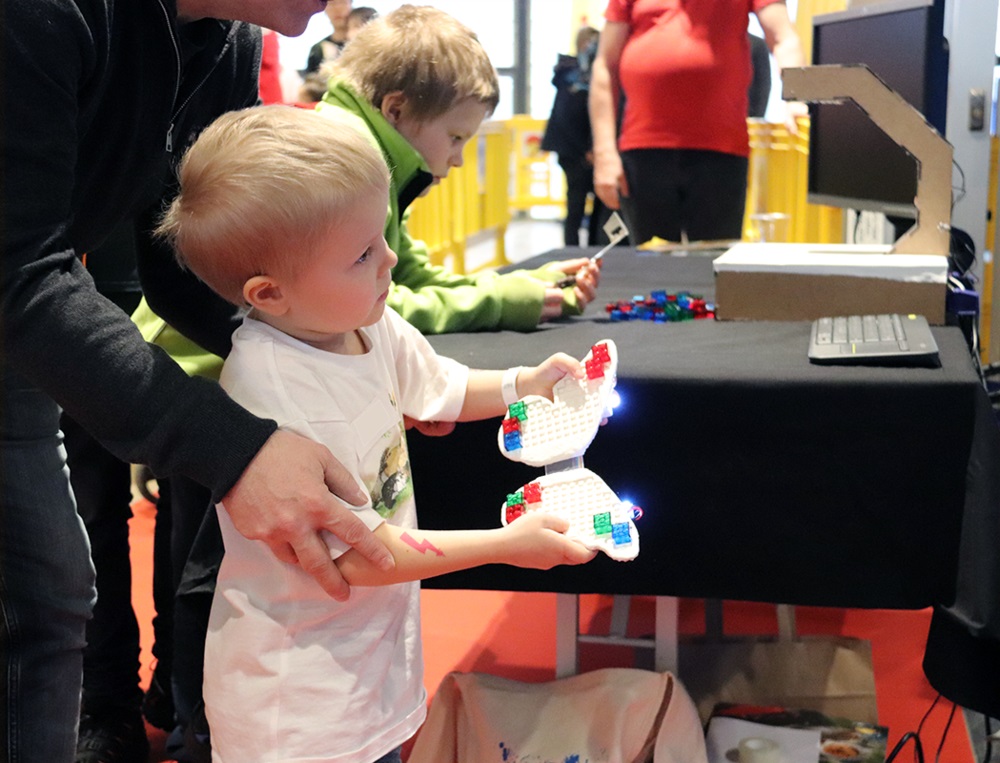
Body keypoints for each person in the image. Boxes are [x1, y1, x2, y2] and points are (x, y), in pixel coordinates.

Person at [1, 2, 395, 762]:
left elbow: (195, 260)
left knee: (47, 597)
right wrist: (233, 448)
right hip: (23, 308)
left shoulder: (226, 33)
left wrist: (346, 359)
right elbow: (17, 270)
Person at [155, 103, 598, 763]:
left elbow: (436, 385)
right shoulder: (275, 389)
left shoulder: (362, 320)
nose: (390, 259)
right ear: (271, 293)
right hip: (297, 705)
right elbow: (364, 554)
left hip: (369, 669)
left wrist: (522, 382)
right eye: (363, 252)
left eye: (382, 235)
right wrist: (508, 544)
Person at [319, 4, 602, 334]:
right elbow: (369, 308)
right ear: (395, 110)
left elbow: (410, 277)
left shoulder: (376, 155)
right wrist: (498, 303)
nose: (459, 159)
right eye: (455, 137)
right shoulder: (347, 162)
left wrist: (526, 285)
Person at [589, 0, 807, 246]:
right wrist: (604, 153)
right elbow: (605, 65)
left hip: (721, 150)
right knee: (650, 268)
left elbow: (783, 37)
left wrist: (796, 96)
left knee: (713, 265)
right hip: (644, 149)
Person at [541, 26, 611, 247]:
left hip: (589, 151)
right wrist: (586, 150)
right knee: (576, 201)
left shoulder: (589, 76)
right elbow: (568, 120)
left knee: (599, 205)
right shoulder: (571, 77)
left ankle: (594, 248)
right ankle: (570, 249)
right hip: (574, 152)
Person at [299, 0, 353, 103]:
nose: (337, 8)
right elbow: (310, 86)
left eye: (342, 2)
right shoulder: (318, 48)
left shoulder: (361, 45)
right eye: (331, 3)